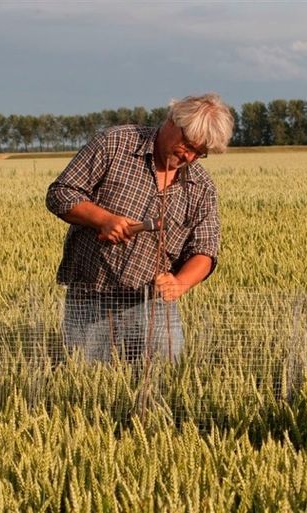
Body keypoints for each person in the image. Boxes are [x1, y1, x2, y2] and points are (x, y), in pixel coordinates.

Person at [46, 92, 234, 362]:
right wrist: (102, 219)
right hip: (90, 298)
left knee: (162, 384)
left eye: (199, 153)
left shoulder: (201, 187)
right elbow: (61, 194)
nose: (189, 157)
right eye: (188, 145)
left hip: (154, 306)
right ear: (173, 121)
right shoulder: (116, 144)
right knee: (86, 382)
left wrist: (179, 283)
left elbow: (205, 250)